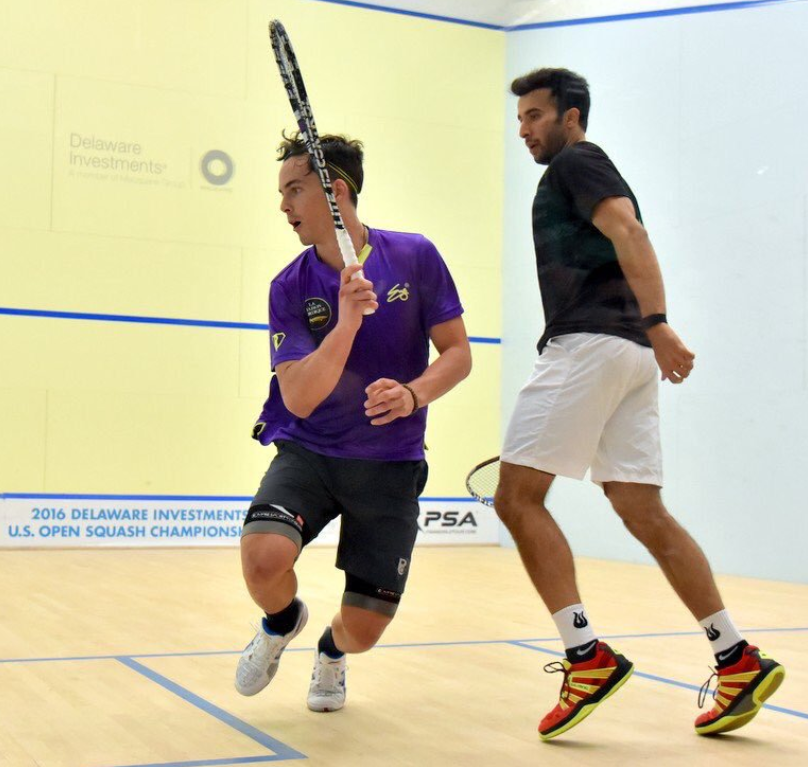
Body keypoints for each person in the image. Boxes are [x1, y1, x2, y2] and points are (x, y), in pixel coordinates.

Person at [495, 68, 785, 740]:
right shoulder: (578, 167)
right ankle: (735, 656)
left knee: (516, 498)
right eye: (520, 118)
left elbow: (630, 232)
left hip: (594, 345)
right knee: (640, 506)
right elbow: (625, 238)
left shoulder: (577, 162)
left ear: (571, 117)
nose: (524, 129)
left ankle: (584, 655)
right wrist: (648, 332)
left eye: (535, 115)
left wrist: (660, 322)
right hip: (626, 354)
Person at [236, 132, 471, 713]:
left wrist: (414, 395)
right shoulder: (289, 286)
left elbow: (459, 354)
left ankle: (331, 652)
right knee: (263, 557)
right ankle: (282, 621)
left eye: (295, 189)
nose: (284, 205)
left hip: (389, 465)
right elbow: (298, 399)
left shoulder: (415, 257)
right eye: (282, 192)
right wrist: (345, 323)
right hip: (310, 454)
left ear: (336, 189)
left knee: (364, 630)